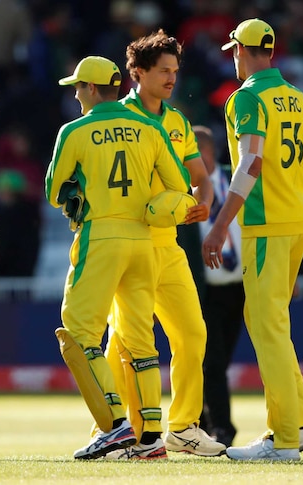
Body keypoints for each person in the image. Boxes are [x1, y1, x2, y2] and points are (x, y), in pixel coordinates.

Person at [45, 55, 190, 460]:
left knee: (77, 333)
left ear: (92, 89)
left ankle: (114, 425)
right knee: (141, 340)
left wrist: (75, 191)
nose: (75, 93)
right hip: (144, 239)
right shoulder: (150, 127)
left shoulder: (74, 129)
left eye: (77, 87)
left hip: (102, 235)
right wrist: (152, 208)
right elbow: (180, 188)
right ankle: (150, 439)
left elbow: (54, 191)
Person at [201, 18, 303, 461]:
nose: (232, 58)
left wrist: (220, 225)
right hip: (297, 218)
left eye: (233, 50)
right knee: (264, 320)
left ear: (241, 49)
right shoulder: (296, 97)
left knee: (268, 326)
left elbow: (251, 162)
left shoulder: (247, 98)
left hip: (267, 225)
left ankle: (285, 438)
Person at [103, 30, 224, 459]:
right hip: (126, 243)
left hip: (168, 245)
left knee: (193, 334)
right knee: (124, 343)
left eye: (175, 71)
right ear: (137, 73)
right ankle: (129, 433)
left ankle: (184, 427)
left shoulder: (177, 122)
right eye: (163, 71)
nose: (172, 78)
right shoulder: (116, 118)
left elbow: (202, 178)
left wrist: (204, 204)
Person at [194, 125, 245, 448]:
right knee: (211, 362)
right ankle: (222, 428)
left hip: (240, 285)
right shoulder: (184, 189)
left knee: (220, 360)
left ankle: (199, 420)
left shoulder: (237, 180)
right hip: (205, 290)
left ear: (208, 152)